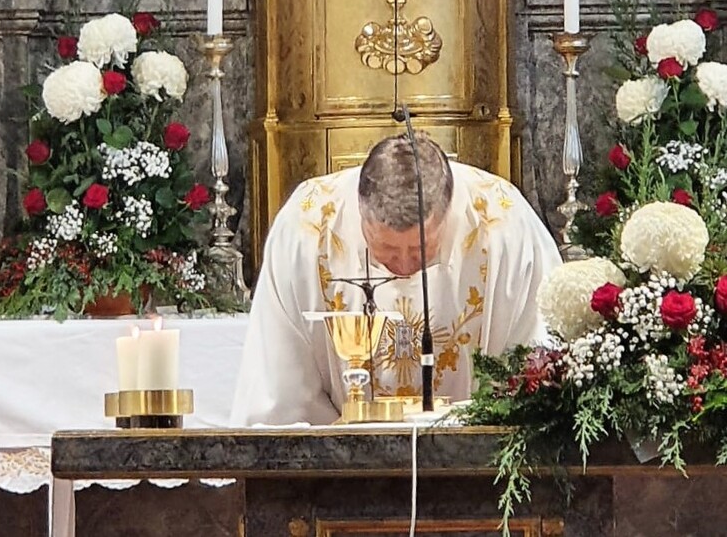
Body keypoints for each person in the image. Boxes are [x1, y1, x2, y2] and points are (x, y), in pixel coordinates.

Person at [230, 132, 562, 426]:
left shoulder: (504, 224)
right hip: (335, 476)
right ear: (360, 211)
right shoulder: (305, 227)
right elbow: (281, 388)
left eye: (422, 250)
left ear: (447, 213)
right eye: (386, 249)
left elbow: (538, 358)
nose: (403, 265)